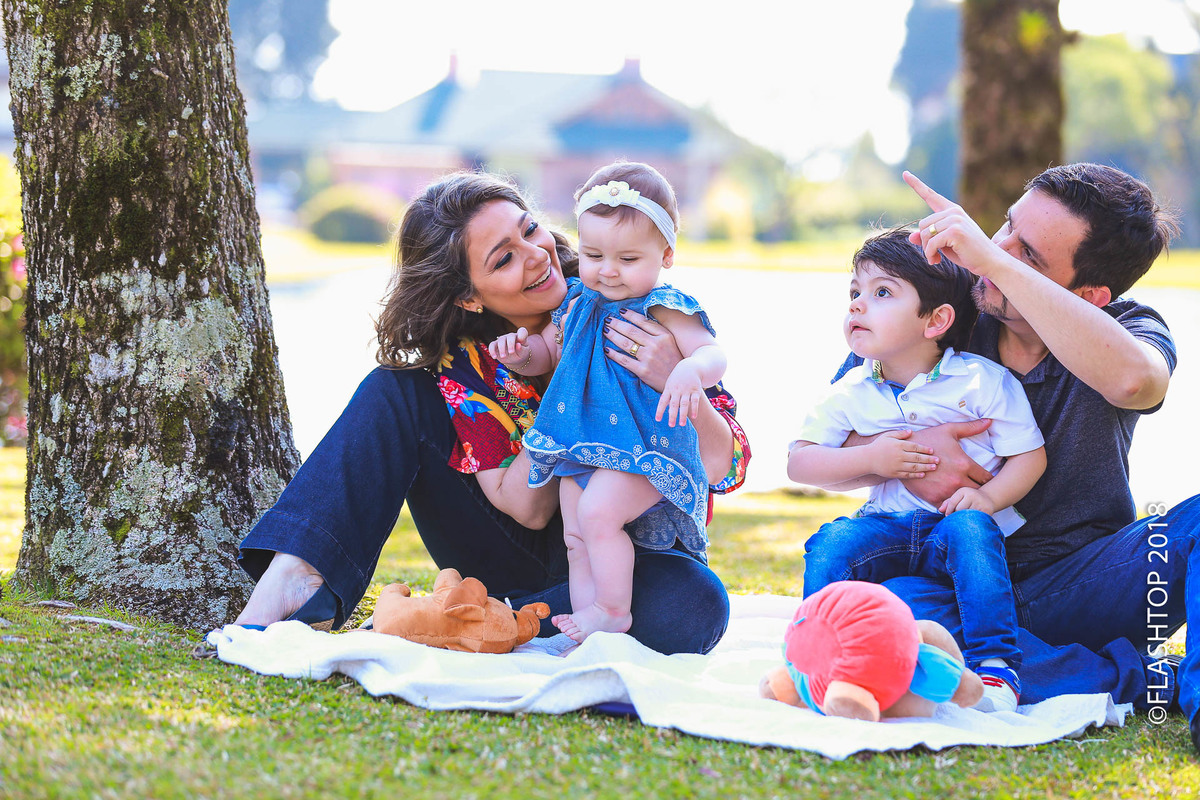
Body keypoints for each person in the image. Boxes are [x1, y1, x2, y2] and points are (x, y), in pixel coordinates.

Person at [232, 171, 751, 656]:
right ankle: (297, 577)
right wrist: (569, 391)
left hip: (635, 551)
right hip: (528, 542)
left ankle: (488, 618)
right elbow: (526, 507)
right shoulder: (470, 361)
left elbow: (723, 465)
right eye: (503, 259)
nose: (536, 255)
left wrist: (673, 379)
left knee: (694, 603)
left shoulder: (626, 290)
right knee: (393, 391)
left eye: (530, 230)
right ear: (468, 296)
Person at [834, 164, 1198, 736]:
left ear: (1089, 296)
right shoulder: (947, 306)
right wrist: (905, 449)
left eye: (1025, 253)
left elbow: (1137, 382)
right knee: (889, 606)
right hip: (951, 585)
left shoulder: (1124, 325)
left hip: (1086, 585)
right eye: (1004, 227)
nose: (993, 249)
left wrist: (991, 261)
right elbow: (837, 428)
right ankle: (1147, 681)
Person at [789, 227, 1046, 712]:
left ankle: (996, 666)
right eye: (855, 293)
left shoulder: (981, 380)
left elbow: (1030, 456)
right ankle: (813, 656)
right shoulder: (851, 390)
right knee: (831, 543)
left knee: (974, 530)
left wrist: (988, 500)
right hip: (884, 527)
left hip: (953, 525)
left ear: (936, 320)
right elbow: (800, 462)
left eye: (881, 292)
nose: (857, 305)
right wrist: (870, 458)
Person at [488, 161, 726, 642]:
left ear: (666, 255)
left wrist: (687, 370)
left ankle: (614, 612)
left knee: (599, 514)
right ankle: (590, 627)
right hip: (582, 445)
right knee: (577, 538)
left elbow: (713, 354)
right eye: (594, 254)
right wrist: (522, 355)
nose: (608, 270)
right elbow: (552, 354)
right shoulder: (577, 303)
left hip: (645, 447)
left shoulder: (663, 307)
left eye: (628, 259)